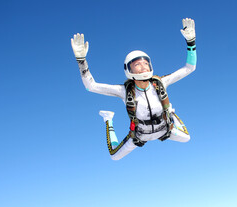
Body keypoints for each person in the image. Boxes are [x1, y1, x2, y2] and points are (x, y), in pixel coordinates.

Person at [71, 18, 197, 160]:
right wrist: (81, 61)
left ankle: (171, 113)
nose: (143, 66)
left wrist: (191, 42)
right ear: (128, 69)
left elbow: (189, 68)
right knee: (114, 156)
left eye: (145, 62)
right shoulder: (124, 91)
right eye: (137, 64)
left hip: (165, 129)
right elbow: (91, 86)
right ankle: (108, 119)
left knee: (187, 137)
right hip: (139, 136)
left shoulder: (161, 83)